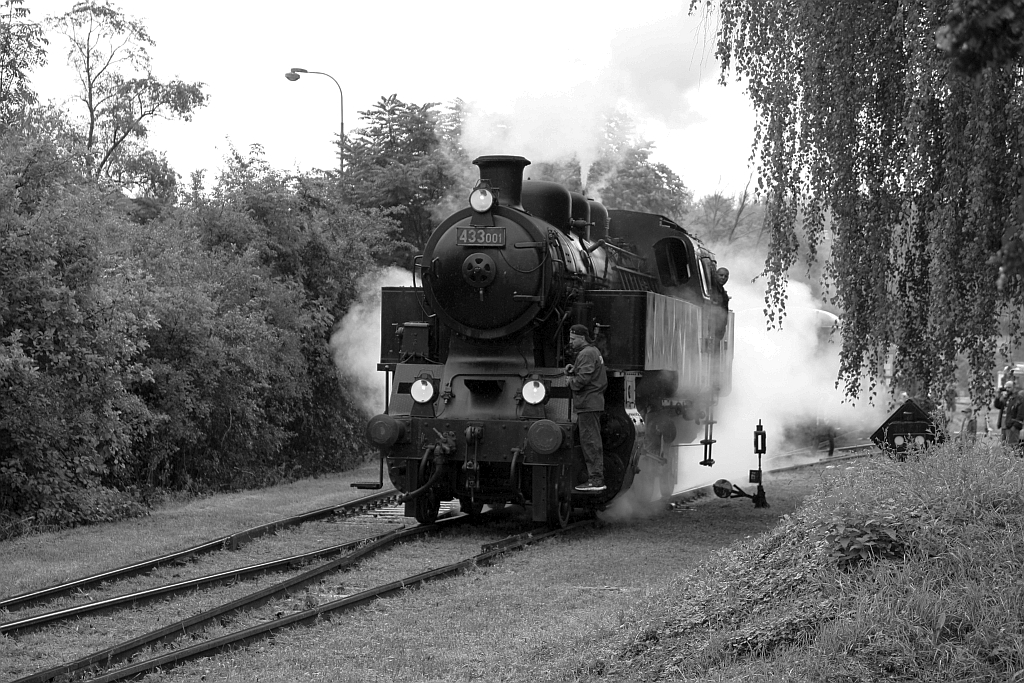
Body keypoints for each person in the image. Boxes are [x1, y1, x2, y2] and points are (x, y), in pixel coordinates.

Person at [565, 324, 608, 492]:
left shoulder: (586, 353)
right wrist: (573, 368)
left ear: (582, 338)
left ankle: (596, 479)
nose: (570, 342)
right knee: (590, 439)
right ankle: (596, 478)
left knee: (590, 440)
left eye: (573, 339)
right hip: (590, 402)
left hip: (588, 403)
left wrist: (571, 382)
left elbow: (584, 378)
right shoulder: (592, 351)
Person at [1005, 389, 1024, 455]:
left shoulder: (1021, 404)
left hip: (1015, 426)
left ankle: (1015, 459)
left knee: (1014, 444)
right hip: (1011, 425)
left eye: (1020, 395)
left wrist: (1014, 426)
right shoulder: (1015, 402)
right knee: (1010, 444)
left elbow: (1020, 416)